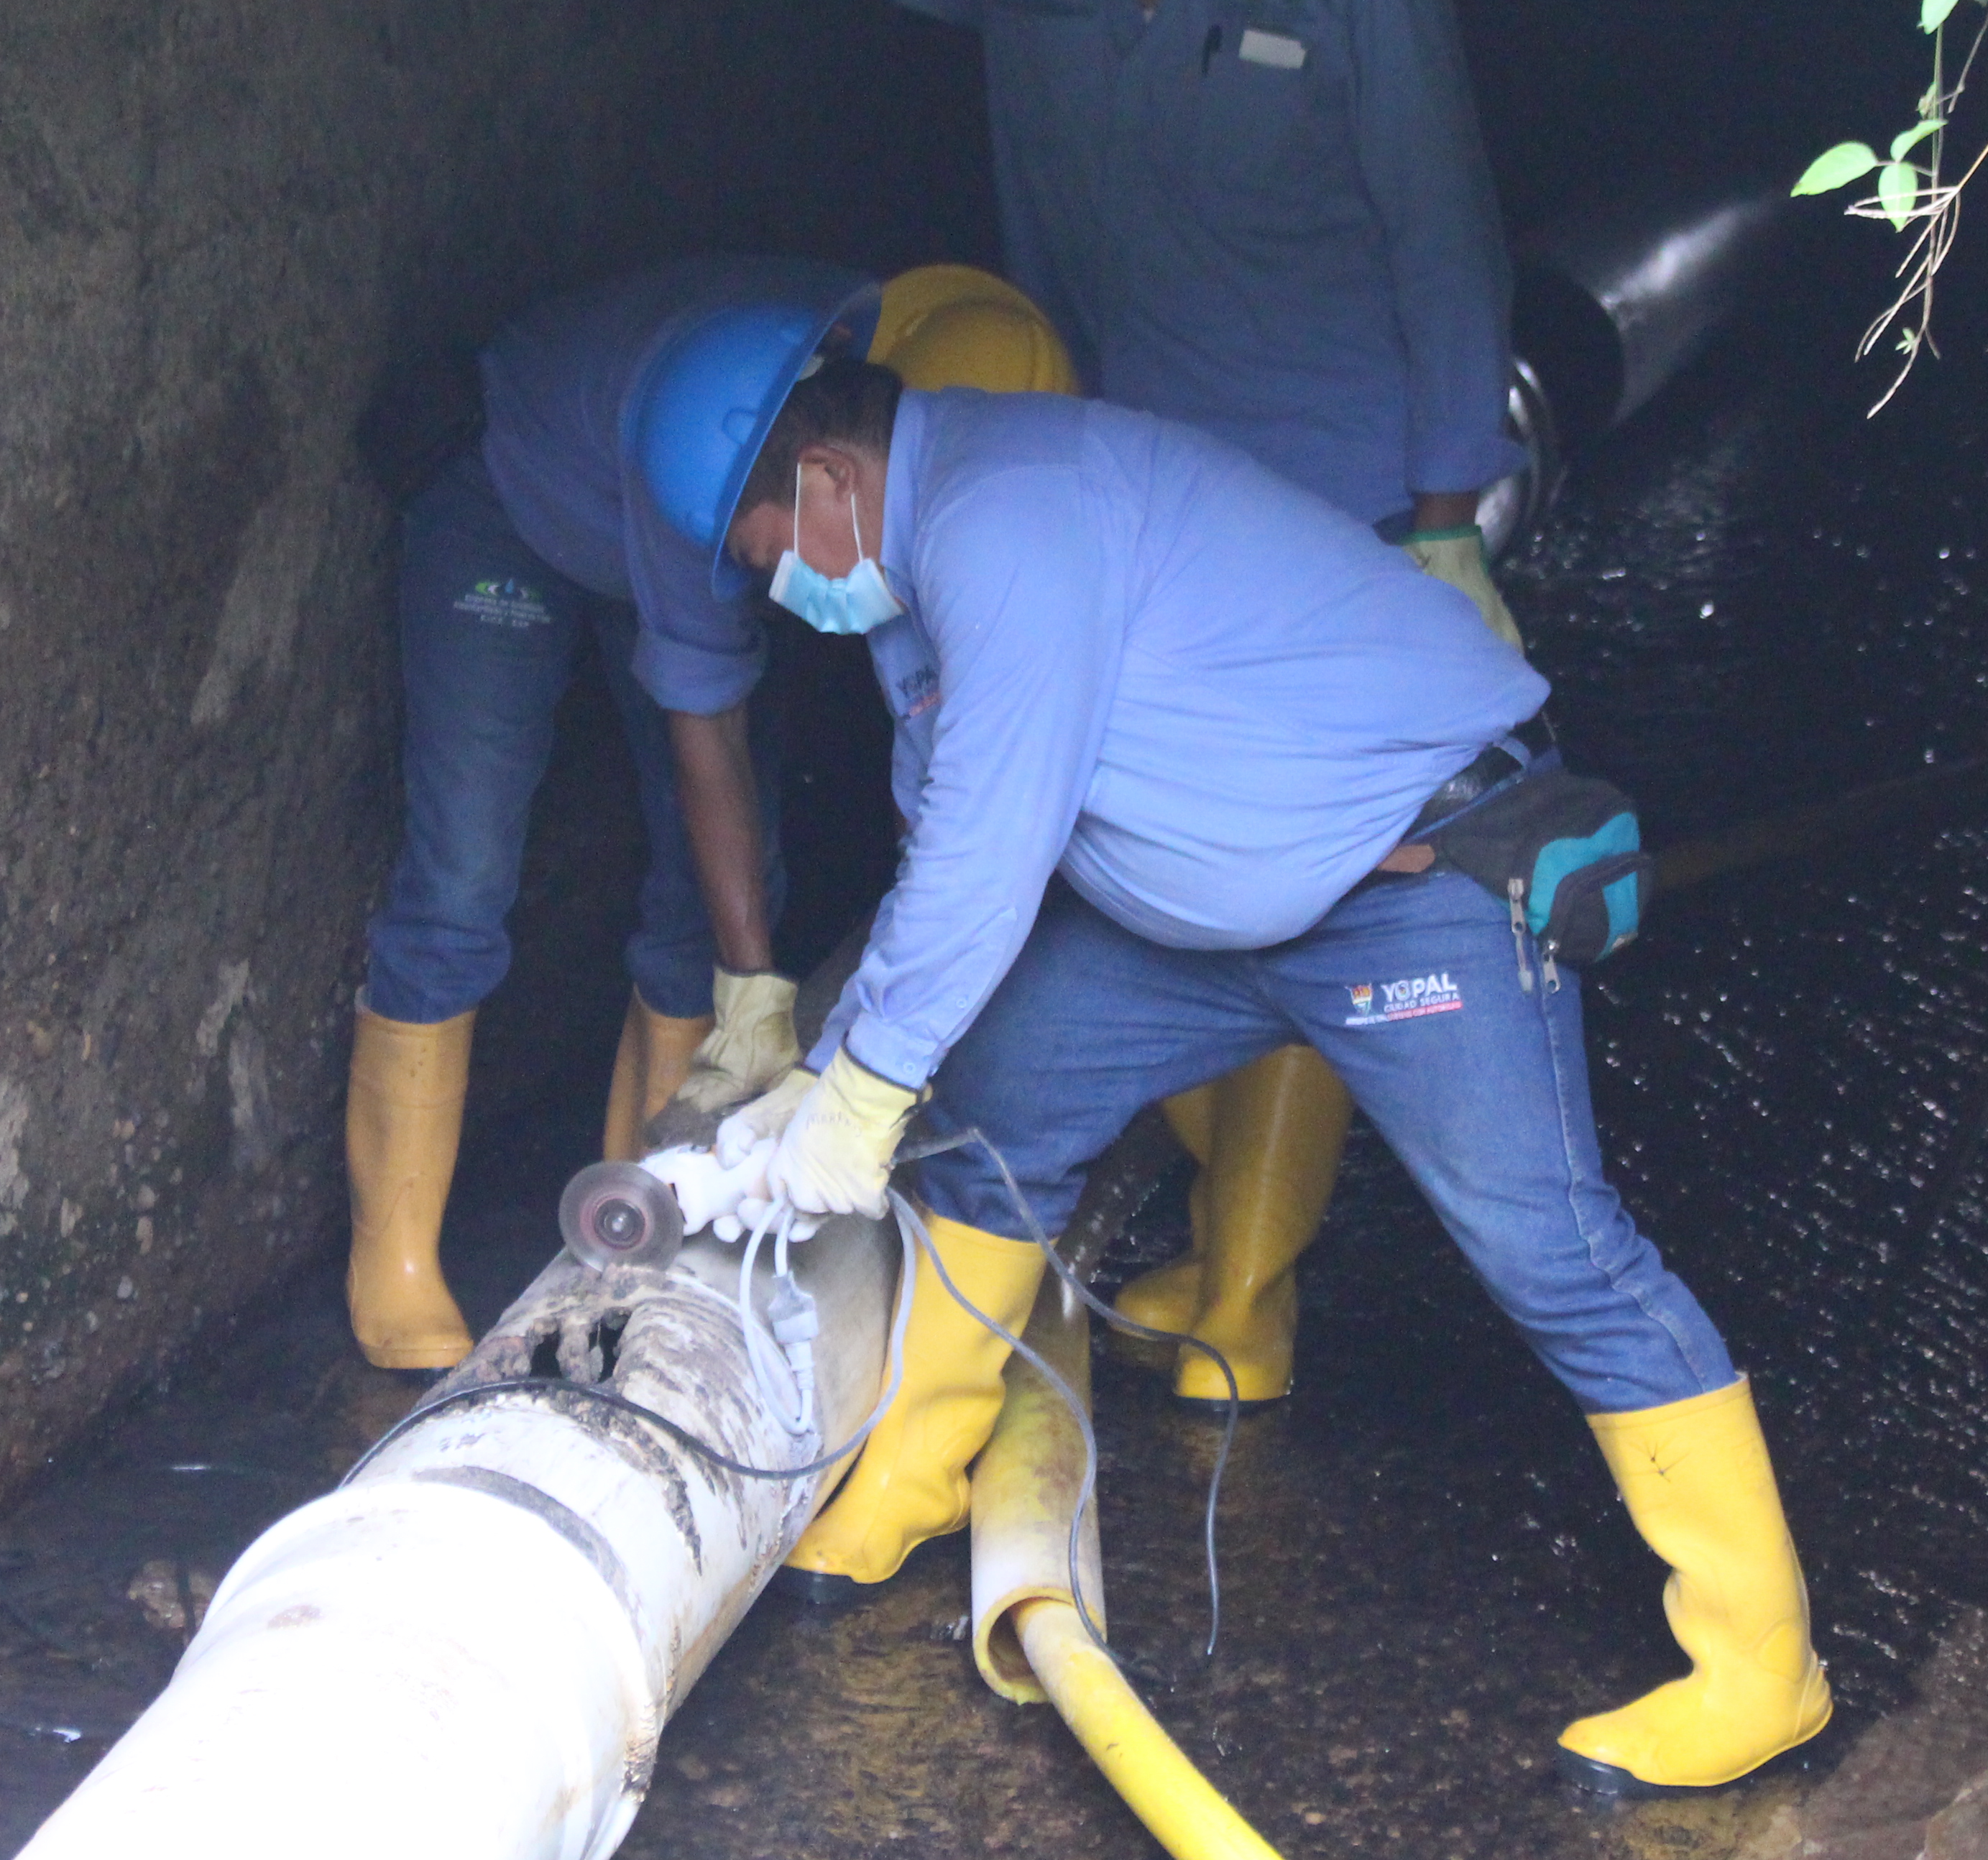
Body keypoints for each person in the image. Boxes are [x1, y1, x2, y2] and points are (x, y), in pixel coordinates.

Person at [408, 0, 1528, 1405]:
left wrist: (1446, 511)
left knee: (1321, 864)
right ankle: (1093, 1247)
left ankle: (1249, 1283)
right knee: (1118, 868)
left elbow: (1449, 236)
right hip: (1112, 475)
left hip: (1330, 499)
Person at [632, 308, 1832, 1796]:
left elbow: (988, 851)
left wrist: (858, 1084)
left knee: (1556, 1252)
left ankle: (1760, 1660)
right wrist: (853, 1064)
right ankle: (916, 1475)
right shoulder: (923, 570)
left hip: (1418, 878)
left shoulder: (1008, 521)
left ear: (821, 476)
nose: (773, 586)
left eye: (761, 552)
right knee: (996, 1096)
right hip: (1215, 916)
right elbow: (945, 837)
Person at [340, 258, 1048, 1370]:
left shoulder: (798, 438)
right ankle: (396, 1265)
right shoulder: (708, 470)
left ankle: (638, 1222)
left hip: (669, 514)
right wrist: (753, 987)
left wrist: (746, 972)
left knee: (707, 891)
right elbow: (703, 739)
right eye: (765, 553)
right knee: (466, 868)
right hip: (513, 505)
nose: (780, 576)